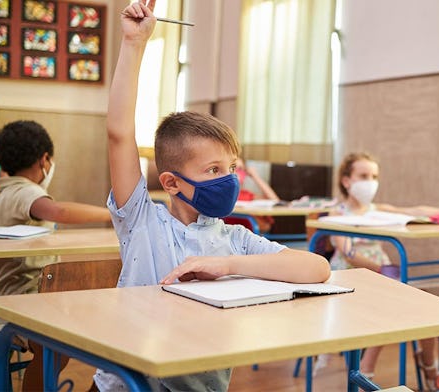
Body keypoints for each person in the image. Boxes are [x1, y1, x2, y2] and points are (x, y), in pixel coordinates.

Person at [98, 2, 331, 390]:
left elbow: (317, 269)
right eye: (213, 171)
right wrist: (133, 44)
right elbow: (119, 133)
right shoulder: (141, 221)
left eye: (231, 168)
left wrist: (228, 265)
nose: (229, 180)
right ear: (171, 183)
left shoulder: (232, 240)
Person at [315, 152, 439, 391]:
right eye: (363, 176)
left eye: (374, 176)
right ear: (346, 181)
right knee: (386, 307)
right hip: (351, 277)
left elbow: (413, 211)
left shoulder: (377, 209)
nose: (370, 181)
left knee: (427, 301)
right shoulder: (337, 213)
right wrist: (383, 271)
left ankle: (429, 365)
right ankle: (366, 368)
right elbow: (347, 252)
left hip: (384, 275)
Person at [0, 119, 112, 391]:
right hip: (27, 297)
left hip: (15, 293)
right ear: (44, 160)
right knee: (62, 341)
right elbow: (59, 212)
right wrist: (113, 215)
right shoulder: (25, 192)